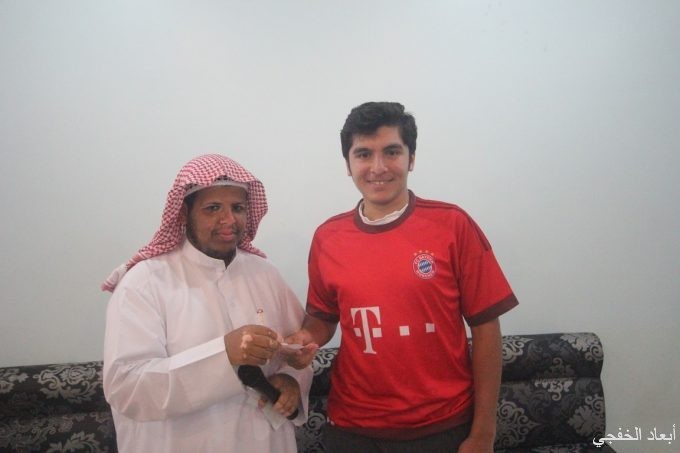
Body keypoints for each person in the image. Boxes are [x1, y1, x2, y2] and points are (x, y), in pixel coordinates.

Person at [283, 102, 518, 452]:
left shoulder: (453, 225)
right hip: (352, 429)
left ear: (411, 158)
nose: (378, 167)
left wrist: (484, 432)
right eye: (364, 154)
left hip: (442, 427)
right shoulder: (327, 238)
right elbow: (323, 318)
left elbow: (486, 330)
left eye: (391, 152)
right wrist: (305, 339)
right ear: (348, 164)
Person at [101, 154, 312, 453]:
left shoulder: (265, 274)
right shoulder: (144, 282)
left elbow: (297, 348)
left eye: (237, 208)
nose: (229, 220)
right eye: (213, 208)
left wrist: (291, 379)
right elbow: (126, 387)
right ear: (184, 214)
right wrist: (225, 354)